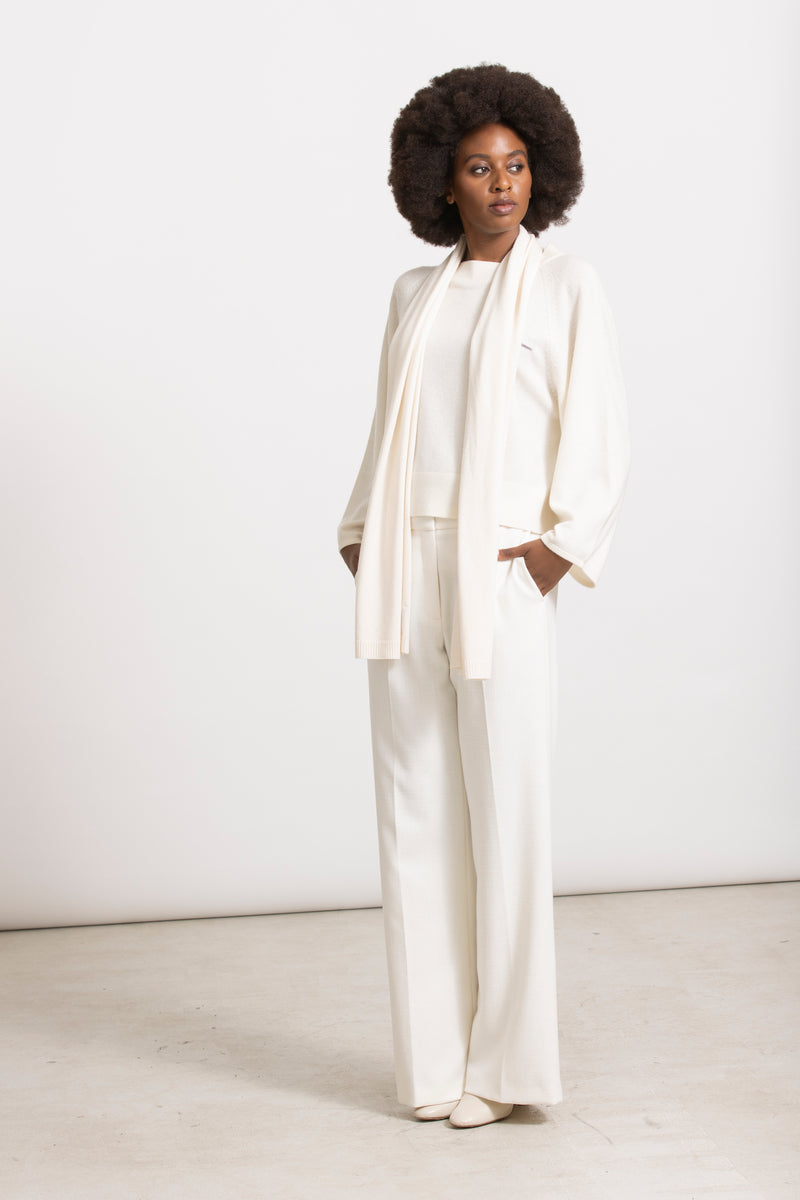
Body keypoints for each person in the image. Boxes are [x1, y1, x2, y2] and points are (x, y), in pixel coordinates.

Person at [337, 64, 629, 1129]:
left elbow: (597, 429)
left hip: (501, 569)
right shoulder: (413, 294)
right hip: (405, 567)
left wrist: (553, 551)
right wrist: (361, 531)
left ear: (540, 173)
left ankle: (505, 1070)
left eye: (515, 165)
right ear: (440, 180)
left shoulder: (566, 286)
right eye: (477, 167)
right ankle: (431, 1069)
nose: (501, 184)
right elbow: (390, 422)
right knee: (412, 808)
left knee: (506, 811)